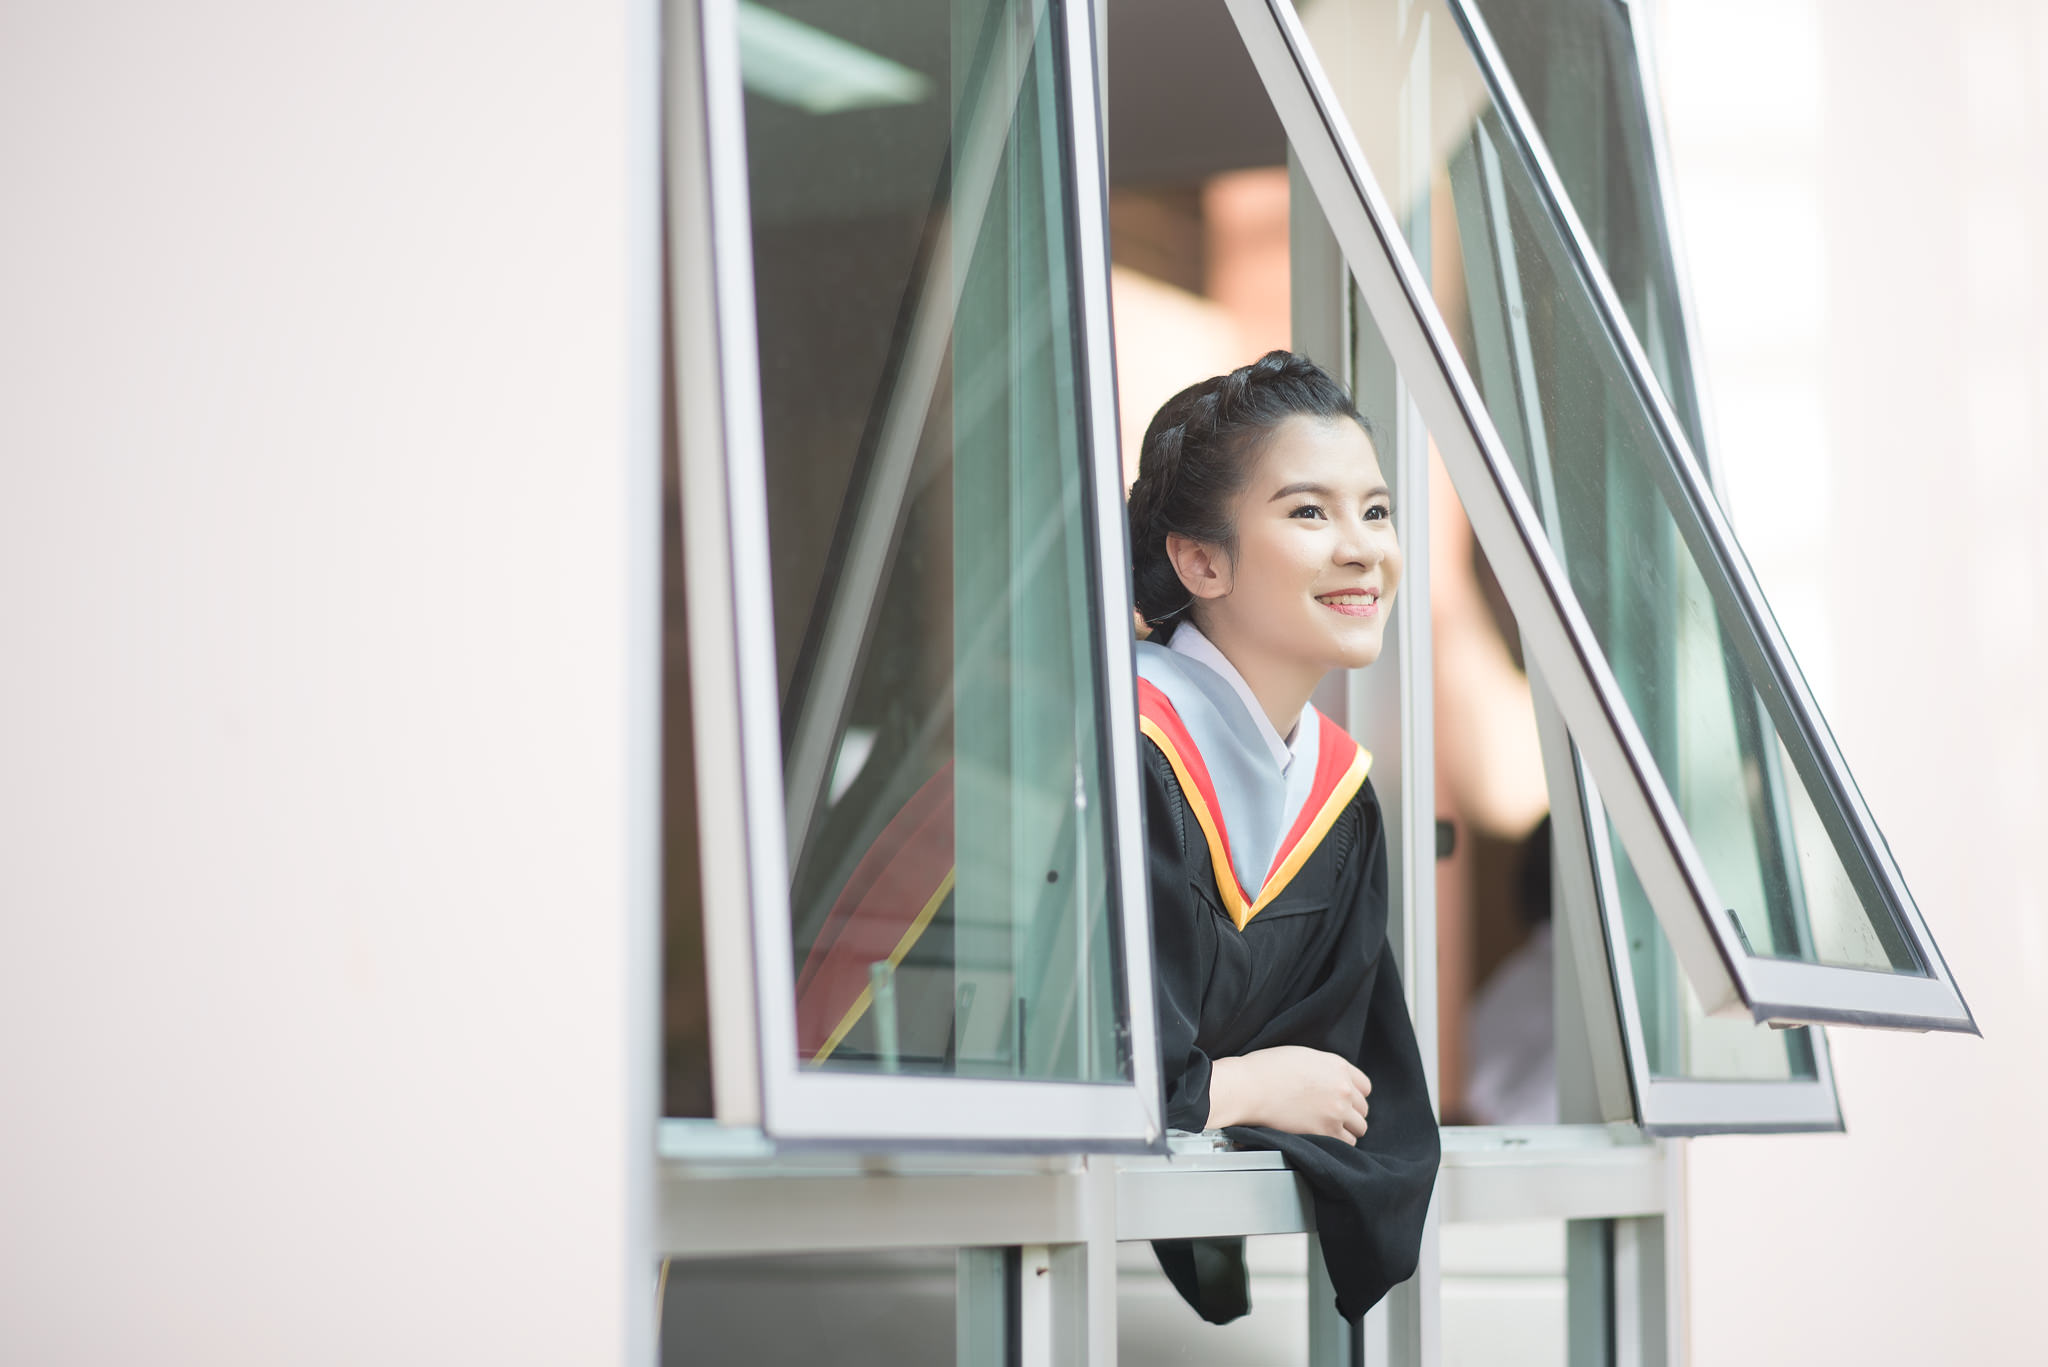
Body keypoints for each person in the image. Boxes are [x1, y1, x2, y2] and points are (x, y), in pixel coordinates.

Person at [1127, 350, 1440, 1325]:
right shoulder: (1114, 752)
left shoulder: (1334, 796)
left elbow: (1357, 1095)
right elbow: (1059, 1065)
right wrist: (1239, 1085)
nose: (1360, 549)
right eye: (1309, 512)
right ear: (1199, 558)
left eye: (1375, 511)